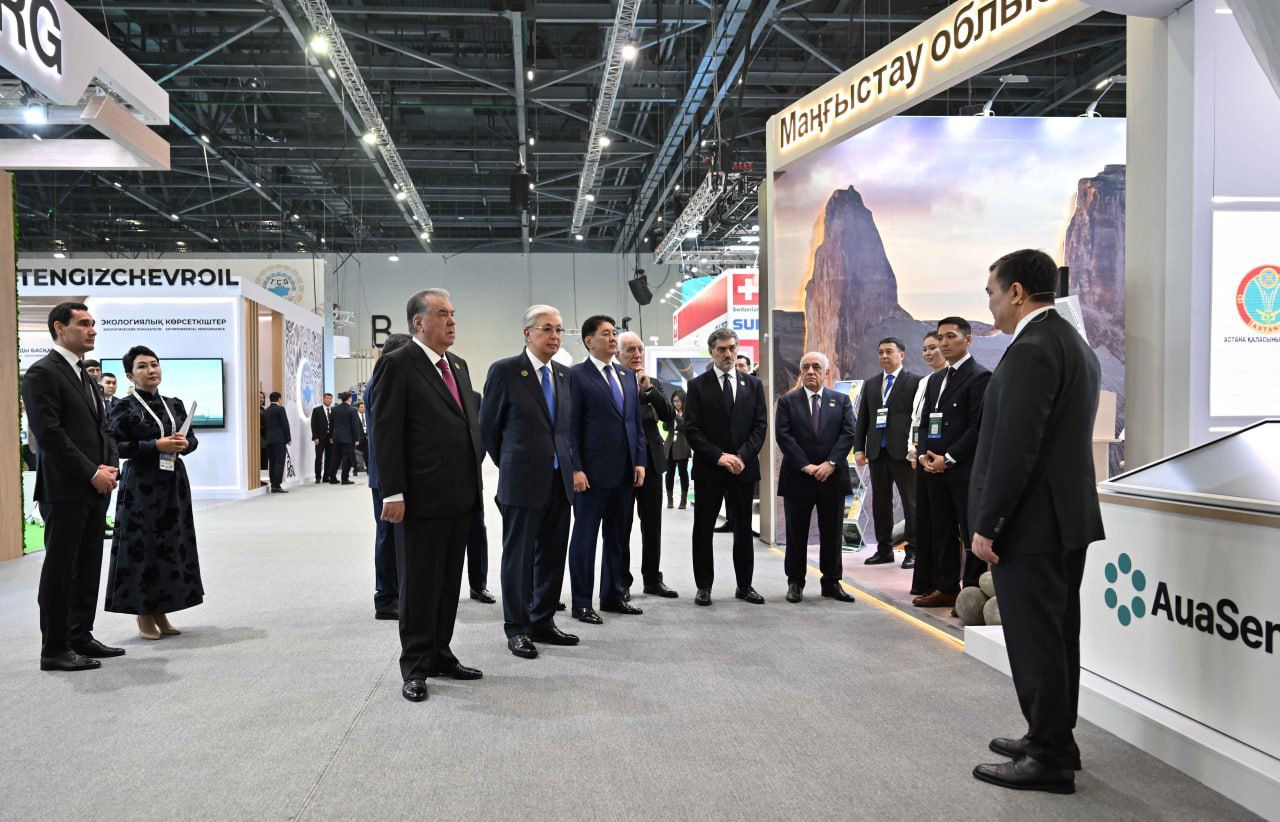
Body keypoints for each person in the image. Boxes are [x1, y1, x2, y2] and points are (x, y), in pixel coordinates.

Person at [969, 250, 1104, 794]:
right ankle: (1054, 739)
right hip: (1064, 519)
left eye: (992, 292)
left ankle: (1048, 757)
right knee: (1057, 635)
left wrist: (990, 522)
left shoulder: (1031, 349)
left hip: (1032, 524)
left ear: (1017, 292)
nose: (990, 303)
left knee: (1035, 640)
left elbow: (1016, 447)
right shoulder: (1072, 342)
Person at [372, 288, 485, 703]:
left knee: (448, 582)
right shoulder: (398, 363)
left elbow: (468, 426)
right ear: (418, 322)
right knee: (419, 584)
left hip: (460, 495)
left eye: (452, 313)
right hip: (419, 498)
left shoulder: (458, 365)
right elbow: (385, 432)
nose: (451, 321)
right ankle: (416, 666)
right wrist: (392, 492)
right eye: (442, 314)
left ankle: (441, 654)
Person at [21, 302, 122, 671]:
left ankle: (80, 635)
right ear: (59, 328)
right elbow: (49, 434)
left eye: (92, 323)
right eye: (83, 323)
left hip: (95, 488)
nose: (92, 330)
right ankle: (54, 649)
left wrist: (109, 467)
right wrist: (90, 472)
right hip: (64, 490)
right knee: (61, 570)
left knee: (88, 566)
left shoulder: (86, 376)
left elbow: (103, 429)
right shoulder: (42, 373)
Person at [480, 305, 579, 659]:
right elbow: (488, 428)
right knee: (519, 559)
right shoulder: (506, 371)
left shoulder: (564, 375)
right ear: (527, 333)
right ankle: (518, 628)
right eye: (547, 328)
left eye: (559, 329)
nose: (555, 336)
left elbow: (565, 430)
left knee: (552, 555)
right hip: (521, 481)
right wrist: (511, 463)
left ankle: (543, 620)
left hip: (559, 482)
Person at [104, 346, 203, 640]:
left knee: (171, 544)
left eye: (155, 364)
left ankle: (162, 610)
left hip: (173, 482)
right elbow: (116, 447)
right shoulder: (123, 407)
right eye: (143, 366)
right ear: (130, 375)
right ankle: (143, 613)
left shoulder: (174, 404)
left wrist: (185, 444)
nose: (151, 370)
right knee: (143, 545)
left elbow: (192, 439)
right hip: (141, 484)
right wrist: (155, 446)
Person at [567, 314, 647, 625]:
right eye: (606, 334)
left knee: (617, 538)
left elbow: (635, 423)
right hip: (591, 475)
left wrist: (639, 460)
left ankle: (613, 595)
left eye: (614, 333)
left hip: (624, 472)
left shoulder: (626, 376)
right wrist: (576, 468)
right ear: (589, 341)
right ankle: (582, 602)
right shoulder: (577, 375)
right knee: (585, 539)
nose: (613, 338)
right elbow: (570, 427)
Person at [684, 328, 768, 606]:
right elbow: (692, 429)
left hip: (743, 469)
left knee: (743, 529)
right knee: (703, 529)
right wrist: (718, 456)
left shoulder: (753, 385)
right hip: (710, 469)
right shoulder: (697, 386)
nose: (728, 354)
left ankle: (745, 586)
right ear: (712, 352)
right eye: (721, 349)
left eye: (732, 348)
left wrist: (741, 456)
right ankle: (704, 586)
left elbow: (760, 426)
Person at [913, 317, 991, 609]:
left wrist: (948, 459)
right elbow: (924, 423)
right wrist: (924, 454)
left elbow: (977, 427)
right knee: (941, 529)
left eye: (950, 337)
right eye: (941, 337)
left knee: (969, 531)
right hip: (933, 470)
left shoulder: (979, 376)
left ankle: (971, 593)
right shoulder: (935, 380)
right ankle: (946, 587)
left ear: (968, 340)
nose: (944, 343)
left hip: (962, 471)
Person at [775, 352, 856, 604]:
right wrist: (806, 466)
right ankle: (795, 582)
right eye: (806, 367)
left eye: (816, 367)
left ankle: (831, 582)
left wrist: (831, 463)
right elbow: (784, 436)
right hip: (798, 478)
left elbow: (848, 433)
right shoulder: (787, 402)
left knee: (832, 533)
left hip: (832, 478)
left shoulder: (841, 400)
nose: (810, 371)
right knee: (796, 533)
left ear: (826, 373)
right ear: (801, 372)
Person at [618, 331, 679, 599]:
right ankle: (621, 581)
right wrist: (647, 411)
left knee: (652, 524)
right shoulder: (613, 382)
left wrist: (649, 391)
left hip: (652, 463)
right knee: (621, 525)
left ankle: (652, 579)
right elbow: (622, 417)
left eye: (640, 349)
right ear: (618, 354)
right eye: (630, 350)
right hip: (622, 463)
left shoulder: (652, 383)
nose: (637, 354)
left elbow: (668, 415)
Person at [852, 338, 921, 567]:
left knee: (911, 503)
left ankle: (914, 550)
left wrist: (916, 448)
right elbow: (863, 420)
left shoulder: (915, 382)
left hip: (904, 453)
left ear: (901, 355)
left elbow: (918, 419)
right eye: (880, 352)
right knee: (880, 504)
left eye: (889, 351)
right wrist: (859, 449)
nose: (883, 356)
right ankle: (884, 550)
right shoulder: (871, 384)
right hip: (877, 453)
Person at [364, 333, 411, 621]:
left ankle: (394, 594)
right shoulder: (383, 381)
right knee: (388, 537)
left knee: (393, 538)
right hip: (386, 477)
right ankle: (386, 598)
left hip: (386, 474)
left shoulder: (379, 381)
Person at [908, 331, 947, 595]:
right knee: (923, 520)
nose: (928, 353)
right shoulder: (925, 382)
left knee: (940, 524)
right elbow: (918, 420)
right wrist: (916, 453)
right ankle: (923, 581)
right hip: (922, 456)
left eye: (933, 347)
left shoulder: (952, 379)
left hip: (944, 460)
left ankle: (942, 583)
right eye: (925, 349)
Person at [665, 391, 691, 509]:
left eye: (678, 401)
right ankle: (669, 500)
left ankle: (683, 500)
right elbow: (665, 427)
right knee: (669, 473)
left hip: (682, 446)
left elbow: (686, 428)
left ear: (683, 400)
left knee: (683, 473)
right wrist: (668, 417)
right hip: (670, 446)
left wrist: (677, 417)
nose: (676, 403)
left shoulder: (689, 413)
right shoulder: (671, 412)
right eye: (674, 401)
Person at [331, 391, 362, 485]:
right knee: (346, 458)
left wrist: (332, 436)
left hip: (336, 436)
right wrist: (357, 438)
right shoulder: (352, 410)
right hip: (348, 438)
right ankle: (344, 479)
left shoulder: (334, 409)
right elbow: (355, 425)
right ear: (349, 398)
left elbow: (332, 423)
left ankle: (332, 478)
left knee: (335, 457)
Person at [264, 391, 291, 493]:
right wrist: (288, 438)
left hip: (269, 440)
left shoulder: (266, 411)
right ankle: (277, 485)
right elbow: (285, 424)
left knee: (272, 463)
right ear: (279, 399)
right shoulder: (280, 409)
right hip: (279, 439)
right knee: (280, 462)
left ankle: (273, 485)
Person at [310, 393, 337, 484]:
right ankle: (318, 476)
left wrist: (333, 436)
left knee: (329, 458)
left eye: (330, 398)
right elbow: (313, 425)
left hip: (330, 438)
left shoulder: (334, 410)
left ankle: (326, 476)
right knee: (319, 457)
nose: (329, 400)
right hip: (320, 438)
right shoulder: (317, 410)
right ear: (324, 399)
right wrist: (315, 437)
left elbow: (335, 425)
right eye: (327, 398)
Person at [355, 401, 369, 476]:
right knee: (356, 454)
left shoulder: (367, 415)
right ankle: (355, 469)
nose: (363, 408)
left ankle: (369, 469)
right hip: (358, 438)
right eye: (361, 407)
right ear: (358, 408)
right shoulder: (355, 416)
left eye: (364, 407)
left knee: (367, 454)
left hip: (367, 438)